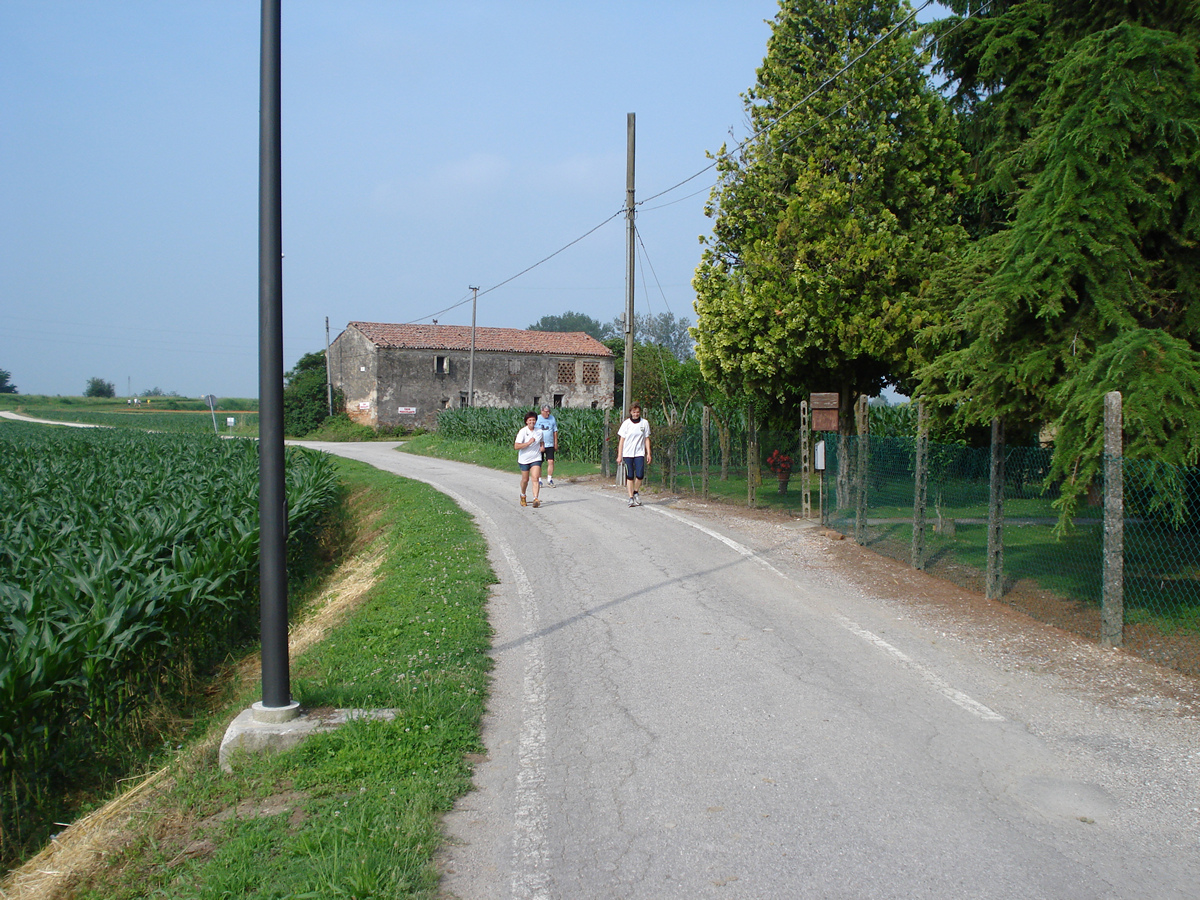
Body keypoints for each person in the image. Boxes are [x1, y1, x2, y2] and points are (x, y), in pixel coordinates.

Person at [616, 403, 651, 507]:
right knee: (630, 475)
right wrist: (619, 455)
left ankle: (636, 492)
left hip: (639, 452)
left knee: (640, 475)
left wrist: (648, 453)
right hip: (628, 453)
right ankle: (631, 497)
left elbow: (646, 439)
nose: (636, 414)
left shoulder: (644, 423)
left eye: (637, 412)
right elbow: (621, 441)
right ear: (631, 412)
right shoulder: (626, 424)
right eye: (634, 412)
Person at [514, 410, 545, 508]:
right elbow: (516, 446)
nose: (532, 422)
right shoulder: (523, 431)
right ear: (526, 421)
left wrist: (542, 446)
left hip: (536, 458)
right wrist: (528, 443)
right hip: (524, 459)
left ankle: (536, 499)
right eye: (530, 420)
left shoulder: (539, 431)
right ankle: (523, 495)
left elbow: (541, 441)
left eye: (534, 420)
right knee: (525, 479)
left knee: (535, 478)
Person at [535, 404, 559, 486]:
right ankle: (539, 480)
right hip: (539, 444)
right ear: (542, 411)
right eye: (546, 412)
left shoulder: (552, 418)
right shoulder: (537, 419)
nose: (548, 413)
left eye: (549, 411)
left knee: (551, 461)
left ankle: (549, 479)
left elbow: (555, 431)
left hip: (550, 443)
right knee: (539, 462)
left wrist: (555, 443)